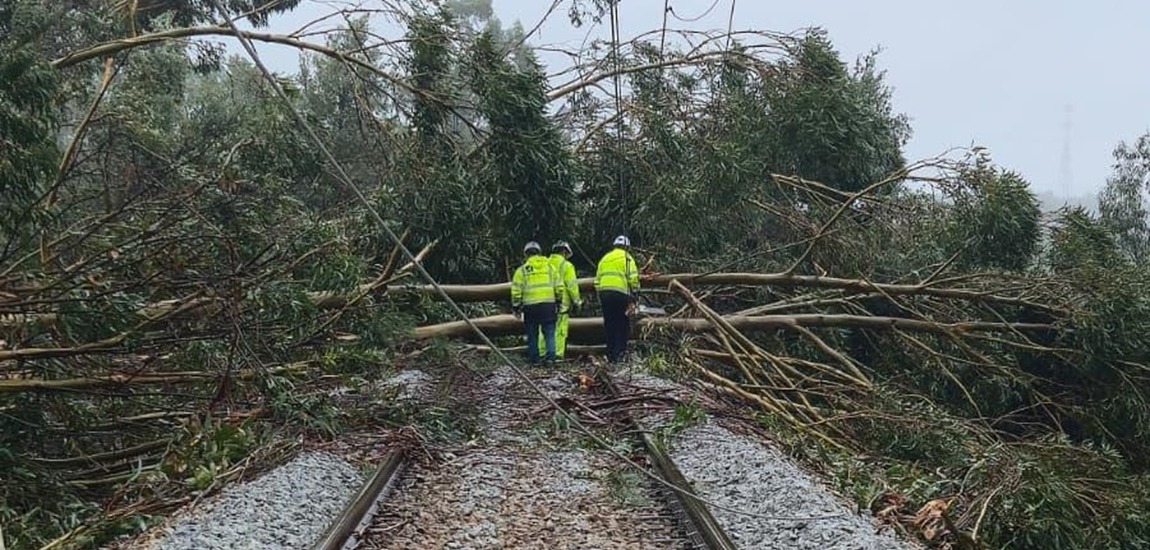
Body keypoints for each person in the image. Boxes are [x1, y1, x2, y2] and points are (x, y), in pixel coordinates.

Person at [511, 241, 564, 365]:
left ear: (526, 255)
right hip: (548, 305)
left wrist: (516, 306)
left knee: (532, 334)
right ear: (539, 253)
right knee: (549, 333)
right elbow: (559, 287)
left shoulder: (522, 270)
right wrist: (559, 301)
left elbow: (516, 291)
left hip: (530, 306)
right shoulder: (550, 268)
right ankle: (551, 358)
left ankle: (535, 360)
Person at [594, 235, 640, 364]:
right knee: (622, 324)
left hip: (604, 293)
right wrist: (635, 293)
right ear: (627, 247)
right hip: (620, 294)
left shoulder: (605, 258)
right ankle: (619, 354)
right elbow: (633, 277)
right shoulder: (627, 258)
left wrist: (601, 293)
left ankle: (610, 355)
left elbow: (596, 281)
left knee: (609, 324)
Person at [537, 240, 582, 360]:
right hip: (561, 304)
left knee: (544, 329)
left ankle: (542, 354)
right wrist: (577, 302)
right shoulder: (566, 266)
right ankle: (556, 355)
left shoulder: (544, 263)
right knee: (560, 330)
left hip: (543, 301)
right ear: (564, 252)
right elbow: (572, 286)